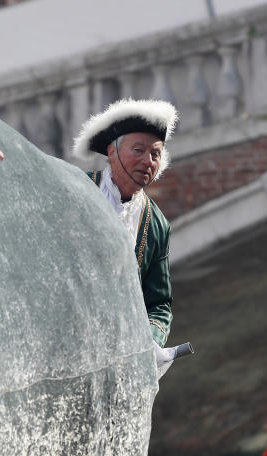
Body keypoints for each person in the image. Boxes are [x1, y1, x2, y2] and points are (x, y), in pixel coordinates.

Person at [72, 98, 178, 347]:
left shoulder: (157, 225)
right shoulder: (75, 189)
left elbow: (159, 304)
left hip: (117, 348)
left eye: (155, 154)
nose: (148, 161)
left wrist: (152, 343)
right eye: (138, 150)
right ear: (112, 151)